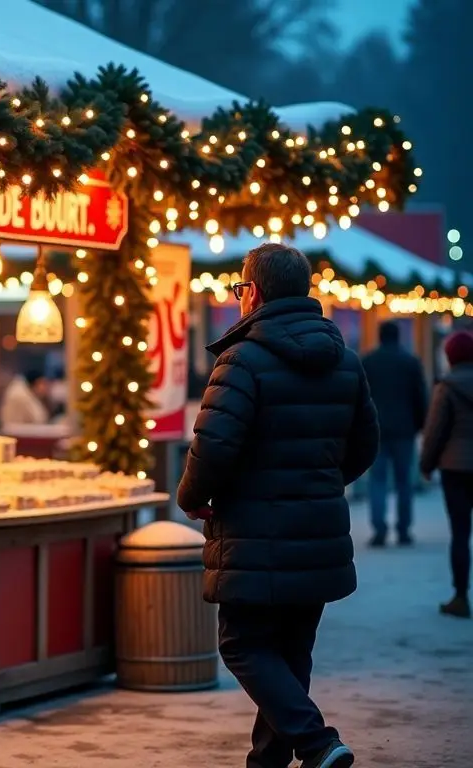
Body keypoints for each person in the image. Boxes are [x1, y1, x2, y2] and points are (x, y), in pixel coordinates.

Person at [177, 243, 378, 768]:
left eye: (241, 288)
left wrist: (192, 498)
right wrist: (320, 484)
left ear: (255, 293)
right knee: (290, 652)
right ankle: (266, 761)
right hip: (317, 530)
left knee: (242, 644)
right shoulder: (345, 361)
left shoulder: (241, 359)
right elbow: (366, 445)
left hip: (251, 530)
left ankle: (317, 743)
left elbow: (213, 448)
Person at [418, 331, 473, 619]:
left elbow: (435, 432)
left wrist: (426, 465)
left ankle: (461, 597)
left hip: (455, 468)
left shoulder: (447, 387)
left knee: (461, 534)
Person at [361, 321, 428, 546]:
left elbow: (360, 397)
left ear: (379, 337)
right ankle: (403, 530)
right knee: (403, 482)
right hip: (404, 430)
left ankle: (379, 529)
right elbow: (420, 397)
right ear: (398, 337)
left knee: (377, 481)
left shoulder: (369, 362)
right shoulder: (410, 362)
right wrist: (420, 425)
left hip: (376, 429)